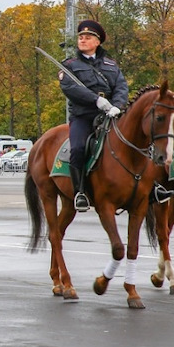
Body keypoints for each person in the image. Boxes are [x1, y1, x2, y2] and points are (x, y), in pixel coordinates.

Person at [59, 18, 130, 217]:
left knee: (136, 140)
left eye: (87, 37)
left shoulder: (111, 65)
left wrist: (117, 106)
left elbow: (121, 87)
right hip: (83, 116)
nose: (83, 39)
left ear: (97, 42)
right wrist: (95, 101)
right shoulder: (70, 65)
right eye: (81, 37)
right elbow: (70, 88)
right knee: (79, 148)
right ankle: (80, 191)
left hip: (110, 115)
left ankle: (149, 187)